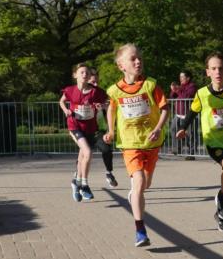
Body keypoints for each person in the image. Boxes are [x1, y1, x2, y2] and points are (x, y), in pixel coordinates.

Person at [175, 52, 223, 232]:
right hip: (214, 140)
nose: (218, 72)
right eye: (214, 68)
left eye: (221, 68)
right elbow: (193, 112)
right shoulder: (202, 94)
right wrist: (183, 127)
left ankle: (221, 213)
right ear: (208, 72)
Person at [104, 44, 169, 247]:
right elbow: (111, 110)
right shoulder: (114, 91)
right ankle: (140, 230)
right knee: (139, 180)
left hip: (151, 142)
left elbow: (165, 108)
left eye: (139, 57)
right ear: (121, 65)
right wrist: (111, 130)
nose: (138, 61)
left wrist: (158, 127)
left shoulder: (150, 85)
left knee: (145, 184)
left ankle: (135, 193)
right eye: (133, 59)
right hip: (131, 144)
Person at [59, 63, 109, 202]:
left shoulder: (96, 92)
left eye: (87, 72)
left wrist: (102, 106)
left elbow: (108, 103)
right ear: (75, 75)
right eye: (82, 72)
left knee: (82, 157)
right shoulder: (70, 90)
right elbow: (62, 101)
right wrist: (66, 111)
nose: (85, 74)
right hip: (74, 126)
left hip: (90, 128)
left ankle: (76, 182)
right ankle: (84, 185)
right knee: (87, 152)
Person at [88, 68, 118, 188]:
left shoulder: (101, 93)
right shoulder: (82, 93)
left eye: (97, 82)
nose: (95, 85)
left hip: (99, 130)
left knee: (106, 150)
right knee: (85, 153)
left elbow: (110, 109)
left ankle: (109, 173)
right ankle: (78, 177)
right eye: (92, 82)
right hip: (85, 129)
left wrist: (105, 107)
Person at [169, 70, 197, 156]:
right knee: (174, 129)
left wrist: (177, 90)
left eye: (182, 77)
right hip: (178, 115)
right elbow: (172, 96)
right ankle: (177, 149)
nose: (180, 79)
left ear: (188, 78)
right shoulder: (180, 87)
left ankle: (191, 153)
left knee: (190, 134)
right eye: (180, 77)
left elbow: (186, 96)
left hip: (188, 115)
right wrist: (173, 90)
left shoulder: (192, 86)